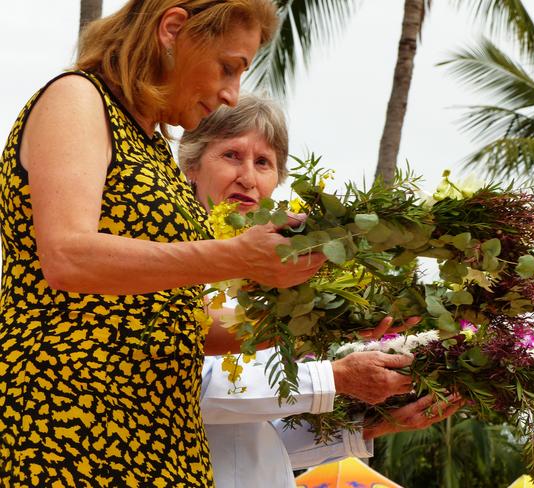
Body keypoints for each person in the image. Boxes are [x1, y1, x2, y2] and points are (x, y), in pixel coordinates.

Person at [0, 2, 328, 486]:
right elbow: (68, 256)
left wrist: (326, 320)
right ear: (173, 29)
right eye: (228, 67)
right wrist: (237, 256)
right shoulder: (77, 99)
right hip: (72, 425)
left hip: (164, 441)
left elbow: (177, 321)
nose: (231, 94)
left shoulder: (152, 147)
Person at [179, 93, 463, 487]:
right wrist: (333, 379)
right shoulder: (167, 258)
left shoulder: (273, 280)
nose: (248, 176)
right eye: (231, 155)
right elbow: (189, 387)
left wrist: (373, 425)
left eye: (263, 162)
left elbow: (254, 440)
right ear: (191, 164)